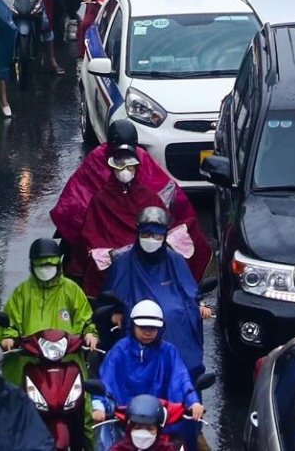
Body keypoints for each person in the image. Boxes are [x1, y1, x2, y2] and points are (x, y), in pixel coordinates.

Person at [50, 120, 210, 295]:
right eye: (119, 163)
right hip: (111, 248)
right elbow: (76, 203)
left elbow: (169, 194)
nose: (125, 168)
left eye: (130, 164)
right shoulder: (99, 187)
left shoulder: (146, 186)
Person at [102, 208, 207, 374]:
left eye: (157, 236)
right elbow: (112, 295)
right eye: (146, 235)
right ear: (138, 234)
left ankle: (181, 369)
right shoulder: (123, 263)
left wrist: (198, 304)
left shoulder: (175, 260)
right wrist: (116, 311)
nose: (151, 239)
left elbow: (189, 291)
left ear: (164, 236)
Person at [95, 302, 204, 435]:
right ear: (132, 326)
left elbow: (181, 378)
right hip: (125, 425)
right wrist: (99, 407)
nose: (147, 332)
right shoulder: (119, 351)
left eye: (152, 328)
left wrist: (193, 402)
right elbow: (107, 381)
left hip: (160, 425)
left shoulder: (169, 352)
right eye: (142, 327)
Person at [0, 237, 98, 375]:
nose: (45, 270)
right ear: (32, 266)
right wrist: (8, 337)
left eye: (49, 265)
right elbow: (11, 320)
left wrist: (89, 334)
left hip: (66, 360)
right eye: (40, 265)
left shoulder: (72, 290)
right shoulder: (22, 293)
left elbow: (85, 318)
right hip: (30, 360)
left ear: (58, 265)